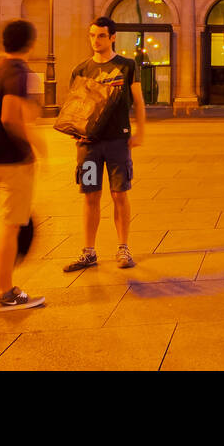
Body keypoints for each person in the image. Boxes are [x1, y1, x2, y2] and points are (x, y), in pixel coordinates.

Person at [0, 19, 47, 312]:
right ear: (30, 43)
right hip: (11, 161)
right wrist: (35, 145)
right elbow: (9, 116)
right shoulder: (17, 71)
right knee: (10, 226)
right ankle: (5, 293)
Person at [63, 17, 146, 272]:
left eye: (100, 36)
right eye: (92, 35)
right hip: (88, 146)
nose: (95, 40)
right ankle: (89, 251)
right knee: (90, 195)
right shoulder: (81, 70)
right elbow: (74, 107)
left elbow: (138, 101)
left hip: (118, 141)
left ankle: (123, 247)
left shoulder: (126, 67)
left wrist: (140, 131)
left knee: (119, 193)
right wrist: (73, 131)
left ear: (112, 37)